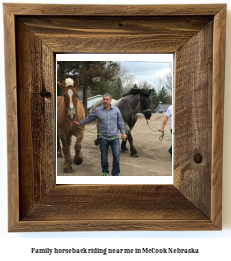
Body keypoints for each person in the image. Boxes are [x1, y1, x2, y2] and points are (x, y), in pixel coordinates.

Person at [73, 93, 127, 176]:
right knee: (104, 156)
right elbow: (89, 118)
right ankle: (105, 171)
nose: (105, 101)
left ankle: (115, 173)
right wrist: (80, 123)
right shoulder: (98, 111)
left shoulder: (116, 110)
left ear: (110, 101)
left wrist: (123, 132)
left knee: (116, 156)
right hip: (103, 138)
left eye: (107, 99)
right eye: (104, 99)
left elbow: (120, 122)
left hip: (114, 138)